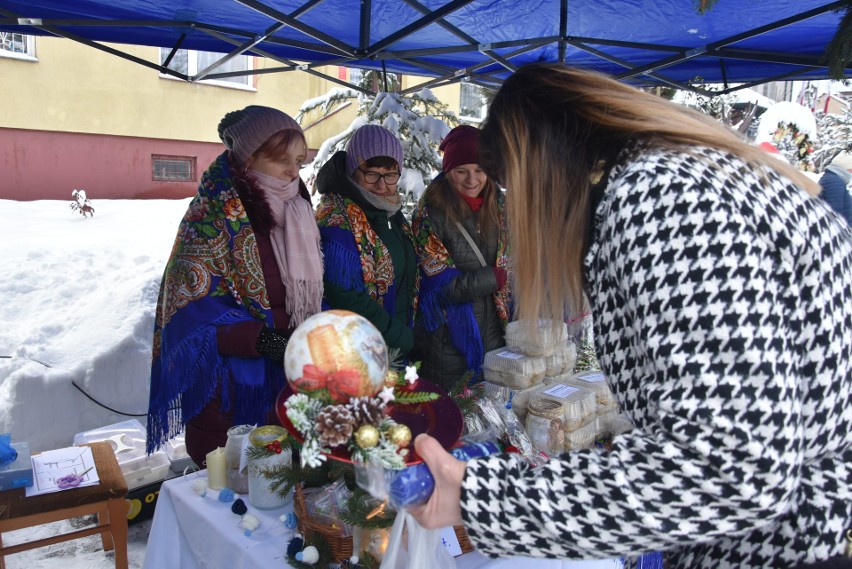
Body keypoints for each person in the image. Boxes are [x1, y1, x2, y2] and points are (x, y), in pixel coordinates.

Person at [412, 64, 852, 569]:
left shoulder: (664, 201)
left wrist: (485, 501)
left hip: (769, 550)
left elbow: (726, 466)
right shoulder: (688, 177)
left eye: (512, 187)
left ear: (540, 165)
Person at [147, 105, 323, 467]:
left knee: (281, 484)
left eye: (299, 161)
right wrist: (261, 340)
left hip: (291, 378)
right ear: (248, 159)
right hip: (234, 392)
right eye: (281, 161)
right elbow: (188, 312)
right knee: (235, 487)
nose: (293, 172)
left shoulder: (300, 211)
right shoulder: (209, 219)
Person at [411, 125, 511, 391]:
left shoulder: (499, 208)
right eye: (461, 171)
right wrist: (492, 278)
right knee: (455, 418)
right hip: (449, 341)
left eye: (480, 170)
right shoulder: (430, 215)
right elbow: (437, 287)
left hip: (496, 335)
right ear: (447, 171)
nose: (472, 180)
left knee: (491, 417)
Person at [314, 124, 418, 359]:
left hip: (396, 348)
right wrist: (402, 337)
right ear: (353, 171)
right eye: (371, 173)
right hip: (361, 353)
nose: (382, 185)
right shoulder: (336, 221)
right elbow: (347, 299)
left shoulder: (390, 212)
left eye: (390, 174)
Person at [818, 152, 852, 224]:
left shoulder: (832, 179)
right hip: (839, 230)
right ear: (846, 168)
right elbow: (834, 211)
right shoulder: (834, 182)